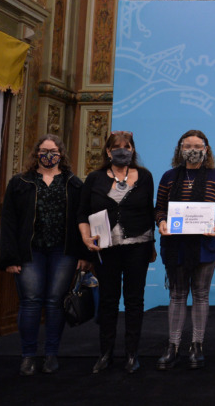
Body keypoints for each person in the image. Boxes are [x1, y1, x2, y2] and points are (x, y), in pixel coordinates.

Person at [0, 135, 91, 376]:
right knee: (30, 302)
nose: (48, 155)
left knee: (55, 302)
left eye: (53, 151)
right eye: (43, 150)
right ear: (36, 153)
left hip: (64, 252)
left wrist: (84, 255)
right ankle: (28, 356)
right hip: (30, 252)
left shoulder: (74, 183)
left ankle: (51, 355)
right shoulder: (19, 182)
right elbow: (8, 221)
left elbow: (82, 220)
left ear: (61, 154)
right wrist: (10, 258)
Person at [78, 131, 156, 374]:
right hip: (106, 248)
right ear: (108, 151)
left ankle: (132, 354)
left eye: (127, 146)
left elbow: (149, 211)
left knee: (134, 300)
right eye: (117, 147)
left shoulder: (145, 176)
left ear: (133, 149)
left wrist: (152, 245)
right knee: (108, 300)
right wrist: (85, 238)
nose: (123, 150)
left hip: (138, 246)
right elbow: (82, 213)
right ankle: (105, 353)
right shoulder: (95, 178)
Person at [154, 130, 215, 370]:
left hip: (205, 244)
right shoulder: (169, 176)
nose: (193, 150)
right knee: (177, 294)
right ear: (180, 149)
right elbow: (159, 208)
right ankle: (173, 345)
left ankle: (197, 345)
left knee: (200, 294)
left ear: (206, 149)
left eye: (198, 146)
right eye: (187, 146)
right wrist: (161, 222)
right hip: (175, 245)